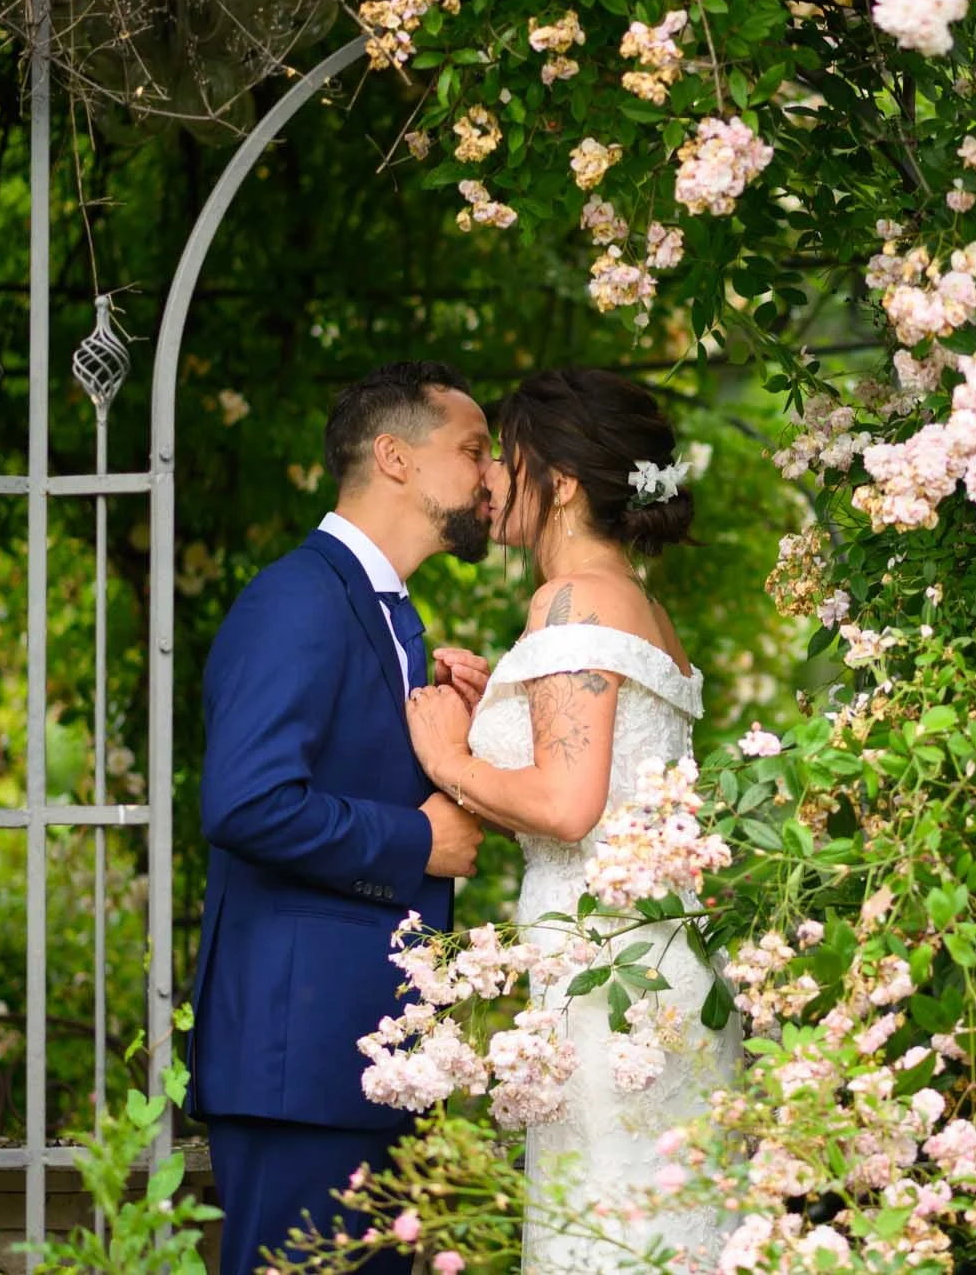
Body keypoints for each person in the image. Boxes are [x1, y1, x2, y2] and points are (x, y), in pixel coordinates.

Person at [404, 366, 742, 1272]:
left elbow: (567, 805)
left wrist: (450, 760)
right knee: (649, 1221)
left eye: (504, 463)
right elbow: (597, 803)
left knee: (608, 1225)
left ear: (555, 481)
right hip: (651, 963)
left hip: (608, 983)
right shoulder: (640, 605)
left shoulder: (572, 601)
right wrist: (491, 744)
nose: (488, 483)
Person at [188, 360, 493, 1275]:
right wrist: (420, 842)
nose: (492, 476)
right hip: (302, 1062)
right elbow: (247, 801)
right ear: (394, 457)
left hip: (368, 1057)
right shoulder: (298, 598)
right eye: (474, 449)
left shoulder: (392, 616)